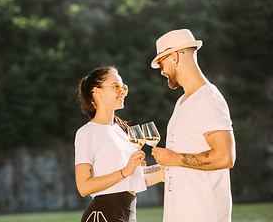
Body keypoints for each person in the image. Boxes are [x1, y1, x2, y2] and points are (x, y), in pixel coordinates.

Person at [150, 29, 236, 222]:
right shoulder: (182, 101)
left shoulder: (208, 100)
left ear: (174, 57)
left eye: (161, 63)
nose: (162, 71)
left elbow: (225, 157)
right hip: (179, 213)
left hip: (202, 215)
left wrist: (174, 158)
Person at [75, 66, 164, 222]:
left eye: (124, 87)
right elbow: (84, 187)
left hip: (128, 211)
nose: (122, 91)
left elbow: (136, 176)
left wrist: (167, 169)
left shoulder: (124, 131)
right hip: (103, 214)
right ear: (97, 92)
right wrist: (125, 171)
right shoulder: (86, 133)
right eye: (116, 86)